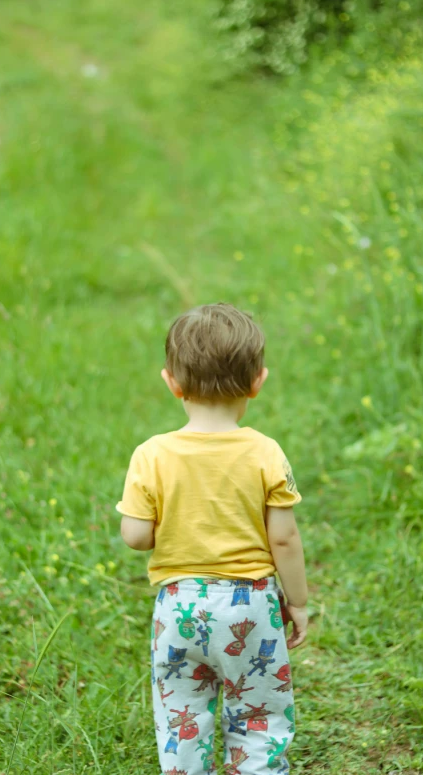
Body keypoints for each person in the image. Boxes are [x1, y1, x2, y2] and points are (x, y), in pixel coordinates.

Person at [117, 303, 308, 775]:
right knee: (259, 717)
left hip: (177, 609)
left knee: (183, 719)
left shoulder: (152, 455)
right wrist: (299, 602)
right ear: (258, 382)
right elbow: (283, 539)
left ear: (172, 382)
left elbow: (136, 536)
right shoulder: (265, 452)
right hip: (251, 607)